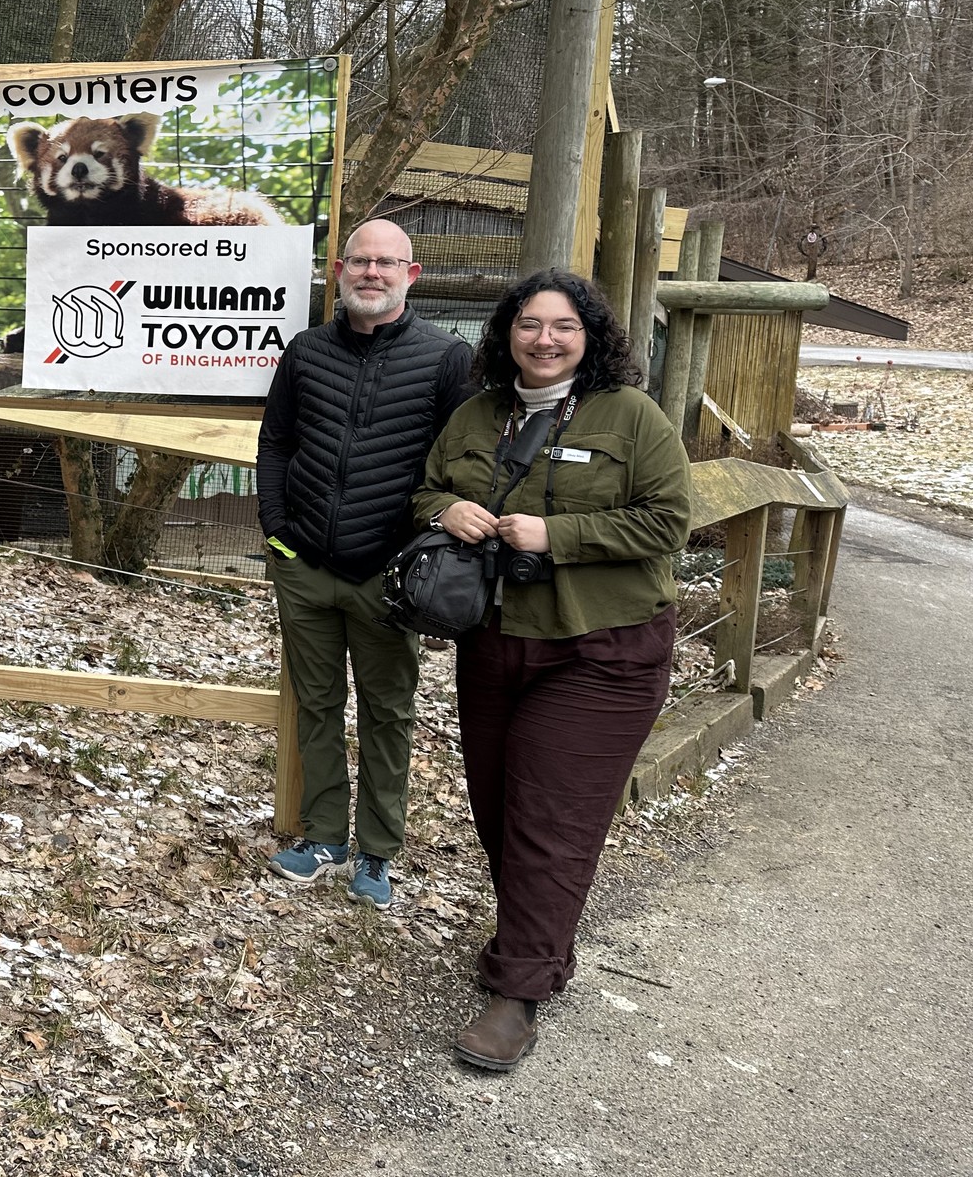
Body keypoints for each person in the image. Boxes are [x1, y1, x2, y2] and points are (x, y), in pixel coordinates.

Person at [413, 268, 692, 1071]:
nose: (544, 339)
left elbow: (670, 520)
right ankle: (535, 941)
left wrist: (557, 535)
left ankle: (519, 992)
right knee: (499, 807)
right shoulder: (476, 414)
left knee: (550, 819)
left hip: (601, 649)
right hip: (495, 641)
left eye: (563, 326)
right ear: (507, 333)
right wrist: (444, 510)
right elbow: (424, 488)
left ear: (589, 336)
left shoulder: (630, 417)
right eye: (530, 324)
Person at [257, 219, 475, 908]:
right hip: (307, 566)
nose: (371, 273)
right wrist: (277, 533)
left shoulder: (446, 360)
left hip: (390, 575)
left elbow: (460, 465)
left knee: (388, 713)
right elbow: (276, 443)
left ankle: (378, 851)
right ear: (340, 270)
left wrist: (425, 550)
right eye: (360, 262)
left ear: (411, 274)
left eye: (386, 263)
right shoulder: (306, 352)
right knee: (316, 705)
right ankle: (323, 834)